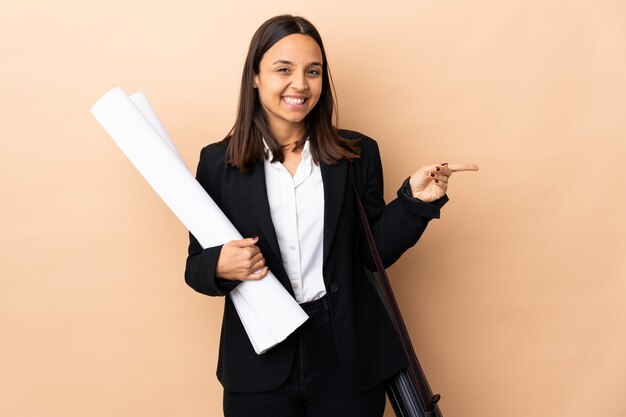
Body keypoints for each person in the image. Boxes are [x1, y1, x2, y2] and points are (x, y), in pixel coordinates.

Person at [184, 14, 478, 417]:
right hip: (259, 358)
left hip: (347, 354)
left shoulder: (356, 154)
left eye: (313, 71)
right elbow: (195, 266)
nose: (300, 84)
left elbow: (372, 254)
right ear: (254, 77)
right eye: (283, 69)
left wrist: (416, 203)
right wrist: (219, 264)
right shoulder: (218, 163)